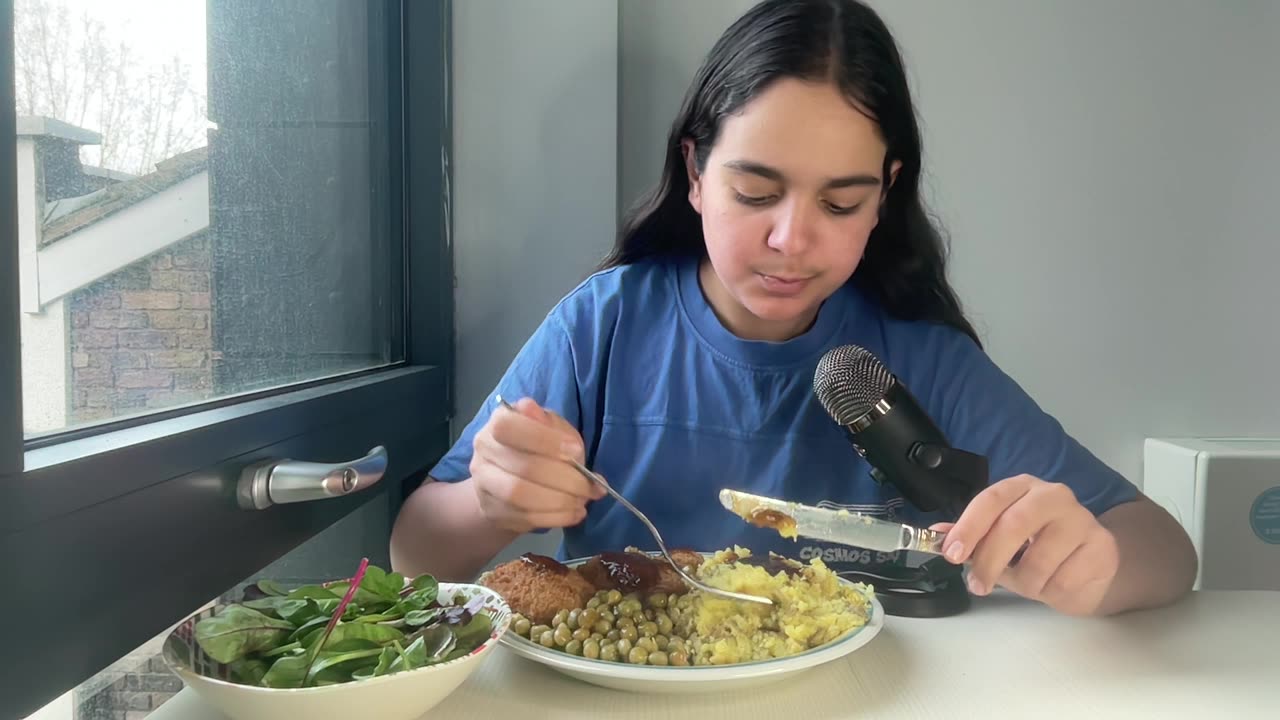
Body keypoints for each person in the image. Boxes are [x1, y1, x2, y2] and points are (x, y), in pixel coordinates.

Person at [390, 0, 1197, 617]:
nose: (791, 241)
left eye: (840, 205)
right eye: (755, 192)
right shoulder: (601, 330)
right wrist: (491, 505)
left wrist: (1092, 567)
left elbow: (1166, 550)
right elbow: (414, 554)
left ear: (883, 198)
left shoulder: (916, 359)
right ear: (696, 173)